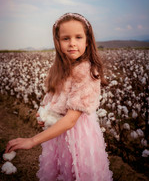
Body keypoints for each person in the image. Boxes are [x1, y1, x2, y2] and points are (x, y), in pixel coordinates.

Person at [5, 13, 113, 181]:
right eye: (65, 38)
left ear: (88, 41)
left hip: (79, 138)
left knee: (76, 172)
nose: (72, 43)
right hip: (58, 134)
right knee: (61, 172)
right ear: (58, 42)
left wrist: (32, 141)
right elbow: (52, 98)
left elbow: (71, 120)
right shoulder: (60, 70)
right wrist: (44, 114)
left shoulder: (87, 72)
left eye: (78, 37)